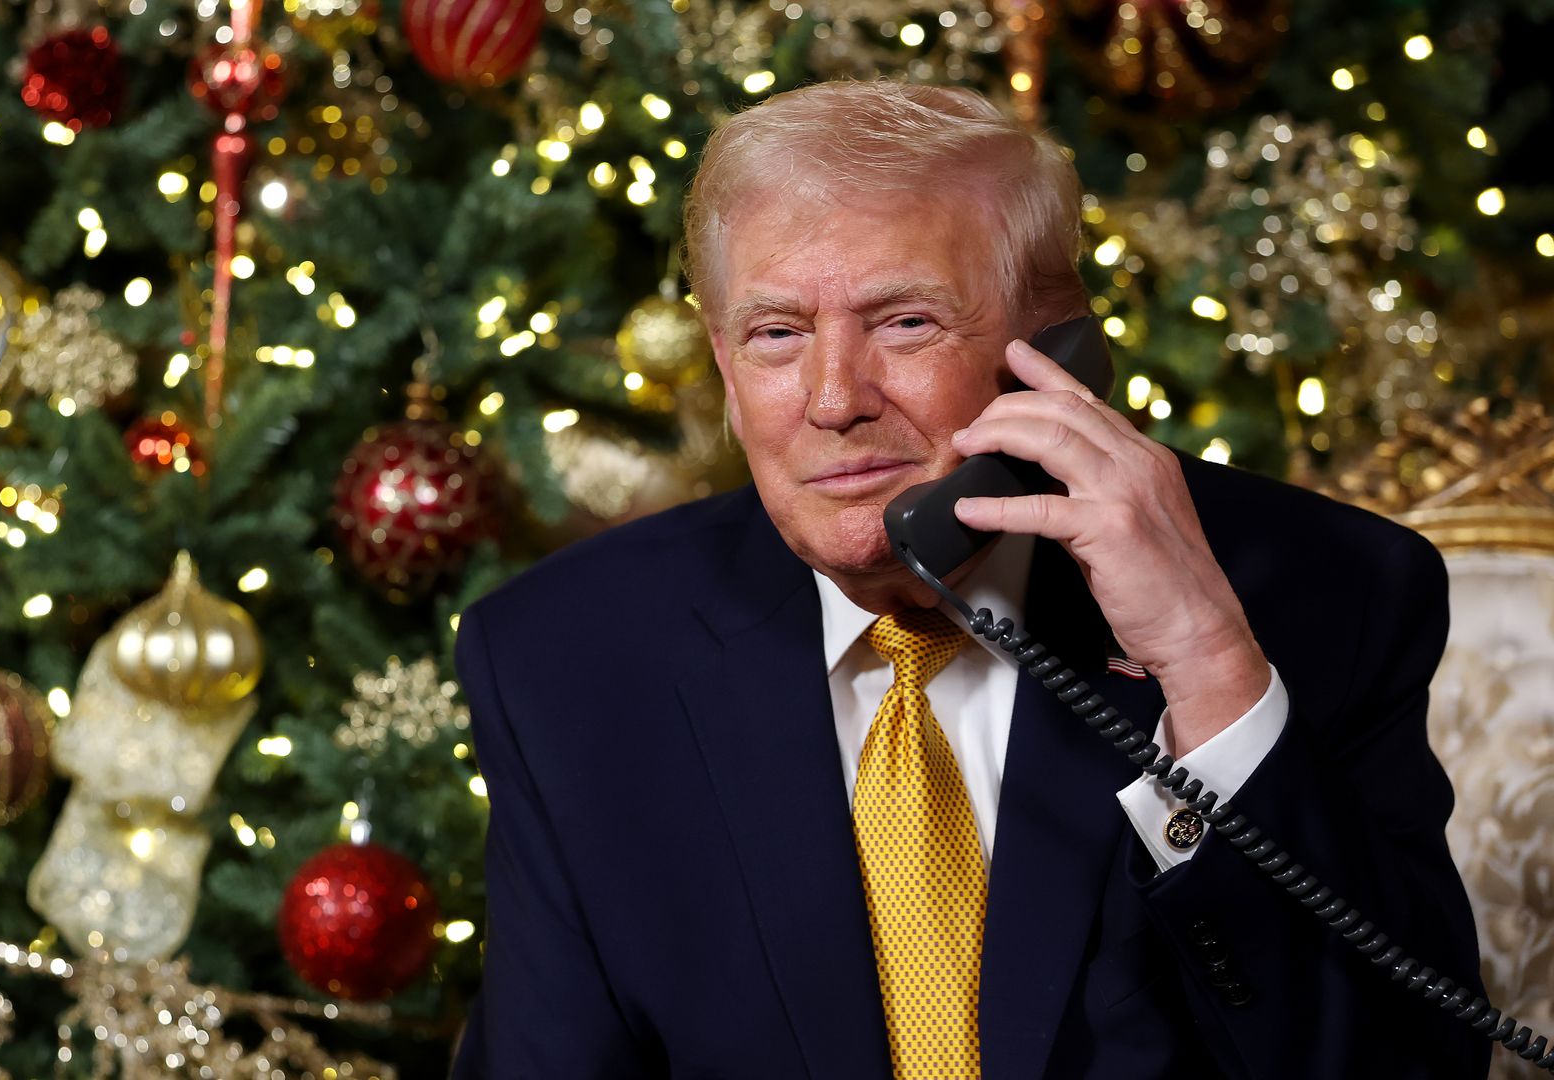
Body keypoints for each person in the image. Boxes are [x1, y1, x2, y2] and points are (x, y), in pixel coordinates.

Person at [447, 80, 1488, 1079]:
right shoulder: (569, 658)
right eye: (777, 335)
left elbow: (1402, 1066)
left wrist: (1207, 665)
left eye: (905, 322)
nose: (833, 399)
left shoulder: (1322, 590)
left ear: (1058, 352)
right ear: (724, 364)